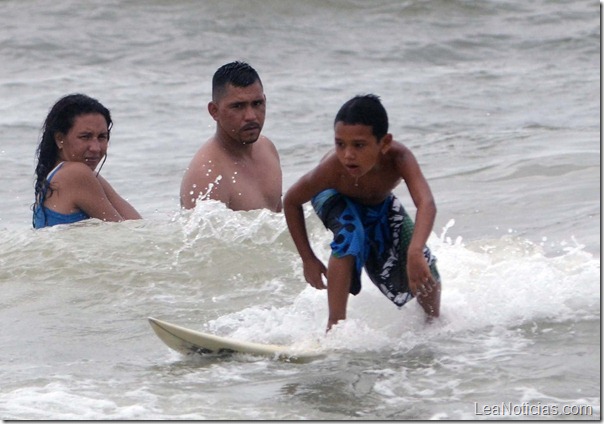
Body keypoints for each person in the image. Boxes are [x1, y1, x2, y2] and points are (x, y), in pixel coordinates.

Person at [283, 94, 441, 331]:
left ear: (384, 143)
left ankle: (433, 326)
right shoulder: (331, 169)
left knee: (425, 264)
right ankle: (334, 328)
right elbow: (291, 201)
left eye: (358, 145)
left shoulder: (399, 158)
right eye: (340, 144)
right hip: (332, 197)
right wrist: (308, 259)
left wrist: (415, 251)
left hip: (378, 203)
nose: (347, 155)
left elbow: (426, 203)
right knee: (351, 231)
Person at [180, 61, 282, 212]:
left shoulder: (267, 148)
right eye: (238, 106)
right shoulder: (207, 176)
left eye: (257, 103)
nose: (251, 116)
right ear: (214, 111)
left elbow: (279, 221)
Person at [32, 93, 141, 229]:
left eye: (102, 137)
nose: (96, 148)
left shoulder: (78, 175)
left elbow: (137, 226)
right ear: (59, 139)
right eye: (85, 136)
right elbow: (124, 233)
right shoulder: (76, 173)